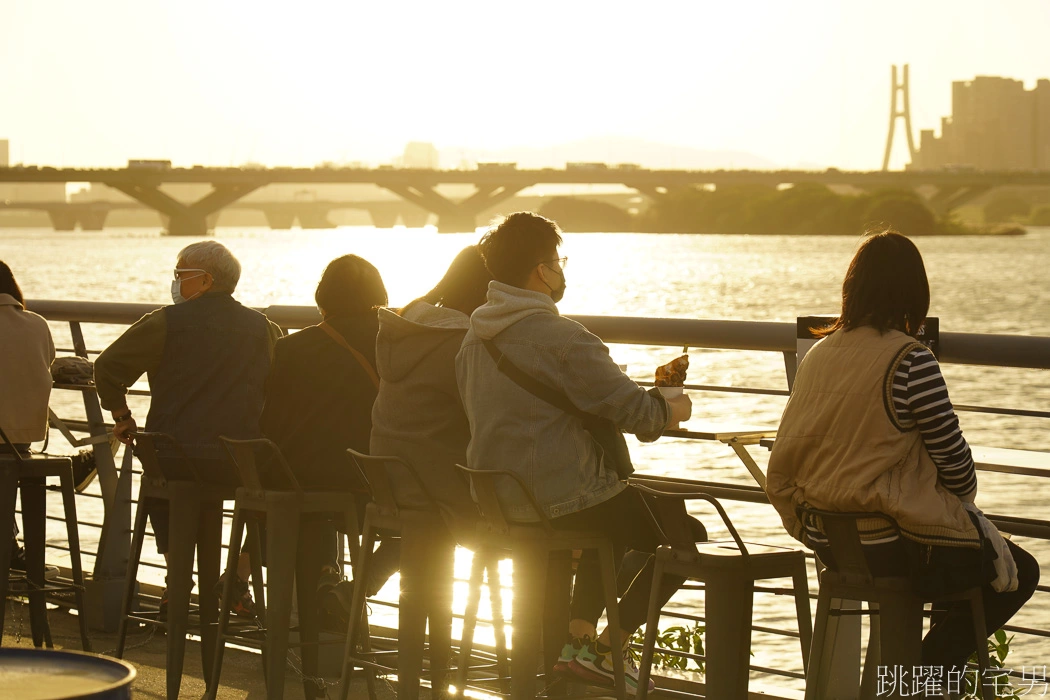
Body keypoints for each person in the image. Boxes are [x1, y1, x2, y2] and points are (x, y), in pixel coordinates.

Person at [765, 230, 1039, 680]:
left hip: (830, 539)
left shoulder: (817, 354)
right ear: (915, 292)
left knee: (960, 563)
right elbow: (960, 473)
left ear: (852, 288)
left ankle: (912, 682)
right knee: (1017, 572)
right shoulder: (911, 360)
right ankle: (911, 682)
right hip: (889, 545)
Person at [455, 212, 697, 693]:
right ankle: (604, 652)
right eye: (557, 261)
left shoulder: (472, 338)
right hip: (560, 502)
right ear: (541, 271)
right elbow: (643, 418)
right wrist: (671, 405)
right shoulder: (565, 339)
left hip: (498, 499)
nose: (561, 270)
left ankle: (577, 646)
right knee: (684, 535)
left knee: (611, 515)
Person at [94, 240, 282, 616]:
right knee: (279, 489)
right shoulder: (265, 329)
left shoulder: (165, 322)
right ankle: (239, 575)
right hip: (238, 463)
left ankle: (176, 579)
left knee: (160, 474)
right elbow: (282, 389)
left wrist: (121, 417)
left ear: (206, 280)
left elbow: (107, 368)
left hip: (174, 457)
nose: (175, 281)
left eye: (181, 275)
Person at [259, 254, 396, 626]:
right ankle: (355, 588)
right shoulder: (393, 341)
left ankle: (319, 592)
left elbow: (271, 422)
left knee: (310, 514)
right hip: (366, 483)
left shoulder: (290, 348)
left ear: (323, 296)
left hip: (301, 484)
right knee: (426, 519)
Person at [0, 261, 59, 578]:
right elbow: (47, 363)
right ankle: (11, 549)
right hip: (24, 441)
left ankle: (9, 547)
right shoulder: (37, 324)